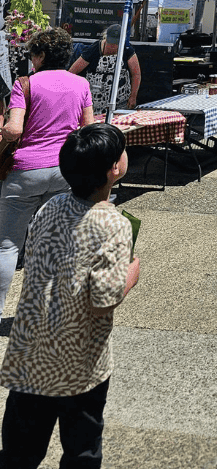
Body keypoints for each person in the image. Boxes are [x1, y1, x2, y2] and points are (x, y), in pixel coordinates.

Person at [0, 123, 140, 468]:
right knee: (81, 450)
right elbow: (103, 298)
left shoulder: (50, 207)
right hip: (78, 361)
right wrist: (131, 274)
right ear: (114, 170)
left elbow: (33, 256)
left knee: (19, 451)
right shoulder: (114, 223)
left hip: (30, 351)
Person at [0, 28, 94, 314]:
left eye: (32, 54)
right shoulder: (81, 85)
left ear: (40, 56)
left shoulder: (25, 84)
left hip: (25, 173)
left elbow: (15, 128)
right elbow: (88, 131)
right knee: (53, 244)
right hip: (63, 171)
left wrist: (4, 133)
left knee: (7, 246)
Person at [69, 23, 142, 115]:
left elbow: (136, 74)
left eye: (116, 44)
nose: (113, 46)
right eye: (110, 43)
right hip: (95, 103)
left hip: (120, 102)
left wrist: (133, 96)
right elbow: (73, 71)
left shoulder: (128, 50)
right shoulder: (94, 49)